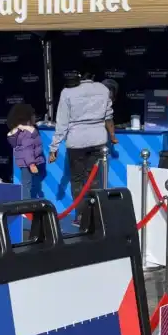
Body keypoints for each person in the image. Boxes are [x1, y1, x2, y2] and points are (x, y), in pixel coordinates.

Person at [49, 72, 114, 224]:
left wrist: (54, 148)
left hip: (76, 142)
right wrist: (112, 137)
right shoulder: (103, 89)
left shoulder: (68, 92)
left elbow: (62, 123)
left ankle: (80, 216)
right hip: (98, 140)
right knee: (95, 180)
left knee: (77, 180)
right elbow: (109, 117)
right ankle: (94, 216)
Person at [7, 103, 44, 203]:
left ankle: (27, 204)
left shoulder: (20, 132)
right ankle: (25, 206)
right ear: (28, 118)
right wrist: (31, 164)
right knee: (27, 185)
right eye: (33, 115)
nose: (35, 117)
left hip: (25, 163)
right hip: (28, 163)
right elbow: (27, 150)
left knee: (27, 184)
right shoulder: (27, 133)